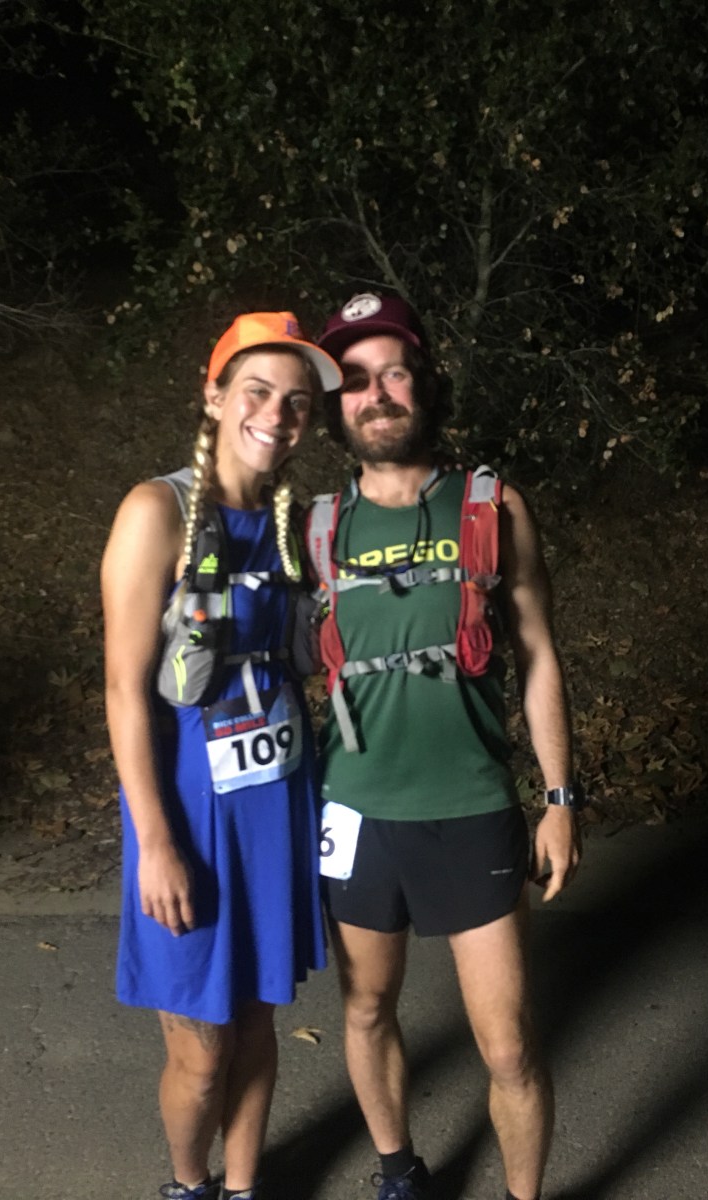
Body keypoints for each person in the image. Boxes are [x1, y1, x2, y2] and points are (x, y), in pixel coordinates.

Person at [309, 294, 582, 1200]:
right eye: (355, 379)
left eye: (394, 372)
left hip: (469, 808)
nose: (377, 393)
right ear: (337, 405)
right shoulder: (313, 527)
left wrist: (560, 798)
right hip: (355, 811)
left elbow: (539, 656)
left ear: (424, 384)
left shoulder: (491, 506)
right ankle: (400, 1173)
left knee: (507, 1046)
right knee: (365, 1009)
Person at [101, 311, 342, 1200]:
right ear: (214, 397)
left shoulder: (295, 525)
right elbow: (125, 689)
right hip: (188, 808)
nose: (277, 415)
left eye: (297, 402)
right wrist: (156, 842)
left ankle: (245, 1188)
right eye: (257, 391)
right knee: (202, 1053)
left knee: (257, 1022)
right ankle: (189, 1184)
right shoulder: (156, 510)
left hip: (276, 797)